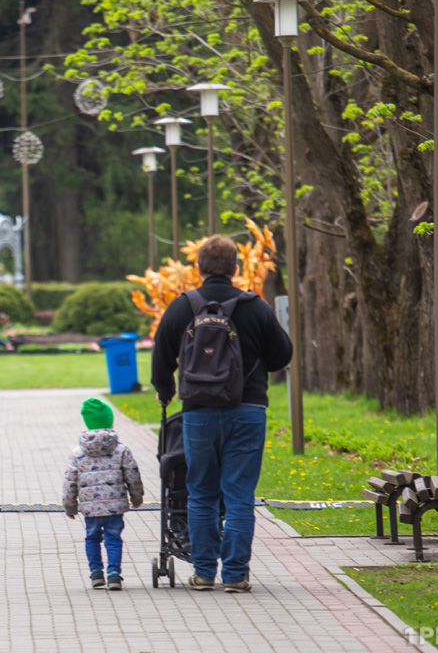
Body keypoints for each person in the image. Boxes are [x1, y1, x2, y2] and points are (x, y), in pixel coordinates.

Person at [150, 234, 292, 593]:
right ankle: (235, 575)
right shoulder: (255, 307)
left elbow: (161, 357)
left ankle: (203, 573)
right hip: (248, 410)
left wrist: (166, 391)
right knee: (239, 494)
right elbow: (282, 355)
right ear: (235, 268)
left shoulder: (182, 307)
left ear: (199, 267)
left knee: (201, 492)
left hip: (198, 412)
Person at [62, 397, 144, 590]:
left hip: (91, 508)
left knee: (92, 537)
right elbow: (132, 475)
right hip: (115, 506)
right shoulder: (121, 450)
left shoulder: (77, 453)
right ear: (109, 421)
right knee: (113, 538)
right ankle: (114, 574)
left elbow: (70, 481)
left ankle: (96, 572)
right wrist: (136, 497)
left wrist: (70, 506)